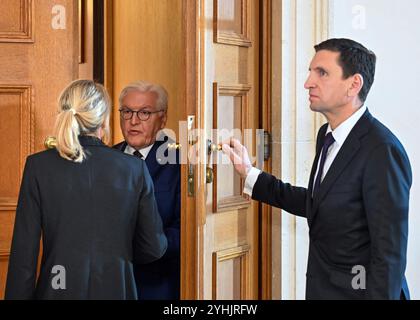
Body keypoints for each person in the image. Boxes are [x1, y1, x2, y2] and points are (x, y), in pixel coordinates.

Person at [223, 38, 412, 300]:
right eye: (310, 72)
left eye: (321, 73)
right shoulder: (326, 135)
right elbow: (317, 203)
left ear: (353, 84)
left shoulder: (382, 150)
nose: (308, 82)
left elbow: (389, 254)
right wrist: (250, 174)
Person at [5, 80, 167, 300]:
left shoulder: (38, 166)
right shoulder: (134, 168)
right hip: (117, 290)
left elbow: (24, 257)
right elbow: (153, 248)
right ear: (104, 119)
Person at [113, 81, 180, 300]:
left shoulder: (180, 163)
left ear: (163, 118)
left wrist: (142, 247)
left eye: (144, 113)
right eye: (127, 112)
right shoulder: (105, 158)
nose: (133, 121)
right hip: (109, 281)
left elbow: (185, 230)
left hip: (157, 283)